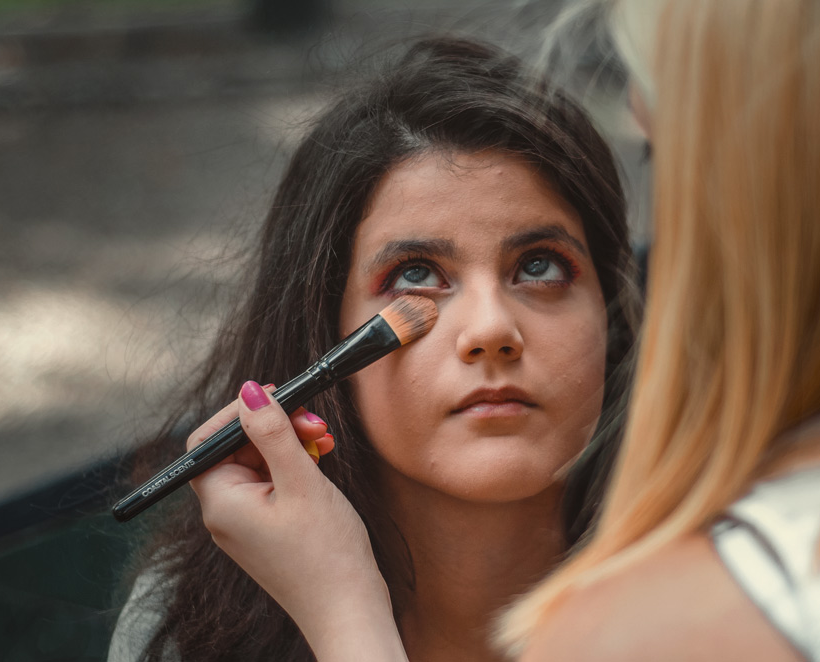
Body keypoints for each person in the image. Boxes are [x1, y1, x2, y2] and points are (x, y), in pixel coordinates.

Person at [109, 36, 640, 662]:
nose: (491, 329)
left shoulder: (729, 602)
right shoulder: (186, 630)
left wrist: (346, 623)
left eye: (541, 265)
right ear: (323, 331)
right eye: (416, 274)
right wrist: (340, 598)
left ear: (612, 316)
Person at [500, 1, 820, 660]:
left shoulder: (662, 630)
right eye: (415, 275)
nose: (491, 332)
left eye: (663, 159)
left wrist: (344, 604)